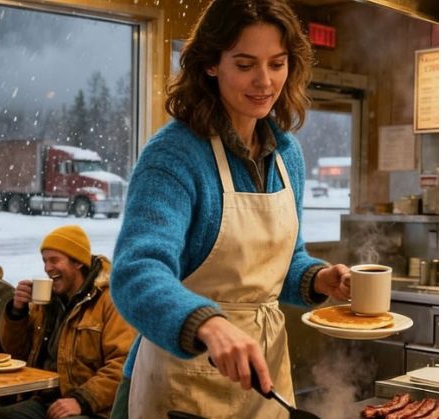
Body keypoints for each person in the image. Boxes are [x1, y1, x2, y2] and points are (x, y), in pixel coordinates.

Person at [109, 0, 352, 417]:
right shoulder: (174, 156)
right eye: (245, 64)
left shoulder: (286, 155)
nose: (264, 81)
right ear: (210, 64)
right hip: (181, 381)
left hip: (264, 382)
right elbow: (136, 271)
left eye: (277, 64)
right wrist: (207, 323)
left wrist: (318, 278)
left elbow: (278, 266)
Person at [0, 225, 135, 419]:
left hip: (92, 408)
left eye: (54, 260)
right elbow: (17, 352)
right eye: (45, 261)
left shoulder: (110, 299)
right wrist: (17, 312)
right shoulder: (47, 302)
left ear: (77, 262)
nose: (47, 268)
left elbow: (122, 364)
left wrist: (82, 400)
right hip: (44, 399)